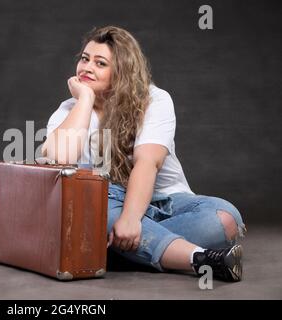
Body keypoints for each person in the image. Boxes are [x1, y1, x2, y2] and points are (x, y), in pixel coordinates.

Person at [41, 26, 246, 282]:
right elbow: (60, 160)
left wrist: (130, 218)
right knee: (95, 199)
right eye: (84, 59)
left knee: (226, 218)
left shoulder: (154, 100)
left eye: (100, 62)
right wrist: (84, 100)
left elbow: (147, 162)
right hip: (105, 204)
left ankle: (113, 248)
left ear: (122, 71)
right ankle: (199, 258)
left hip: (163, 202)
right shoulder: (69, 111)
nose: (86, 67)